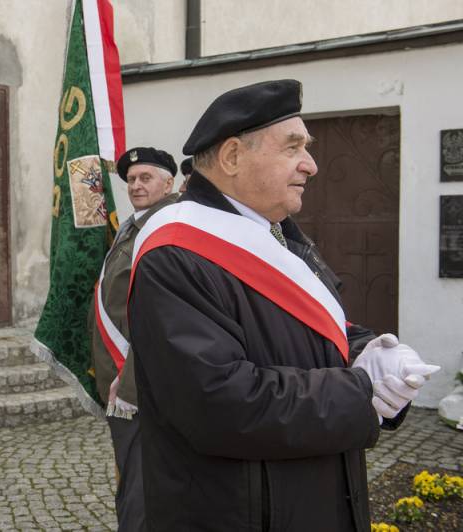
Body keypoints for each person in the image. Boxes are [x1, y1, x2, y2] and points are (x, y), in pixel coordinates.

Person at [127, 80, 439, 531]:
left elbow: (304, 328)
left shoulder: (278, 232)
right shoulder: (175, 254)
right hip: (240, 513)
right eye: (293, 147)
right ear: (232, 157)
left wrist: (369, 351)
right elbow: (219, 403)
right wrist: (361, 390)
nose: (311, 164)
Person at [89, 147, 178, 531]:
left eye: (146, 178)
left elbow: (163, 316)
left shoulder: (165, 227)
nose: (136, 185)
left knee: (139, 489)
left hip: (140, 384)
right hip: (125, 378)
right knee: (132, 477)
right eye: (130, 179)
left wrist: (128, 383)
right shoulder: (138, 224)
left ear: (169, 184)